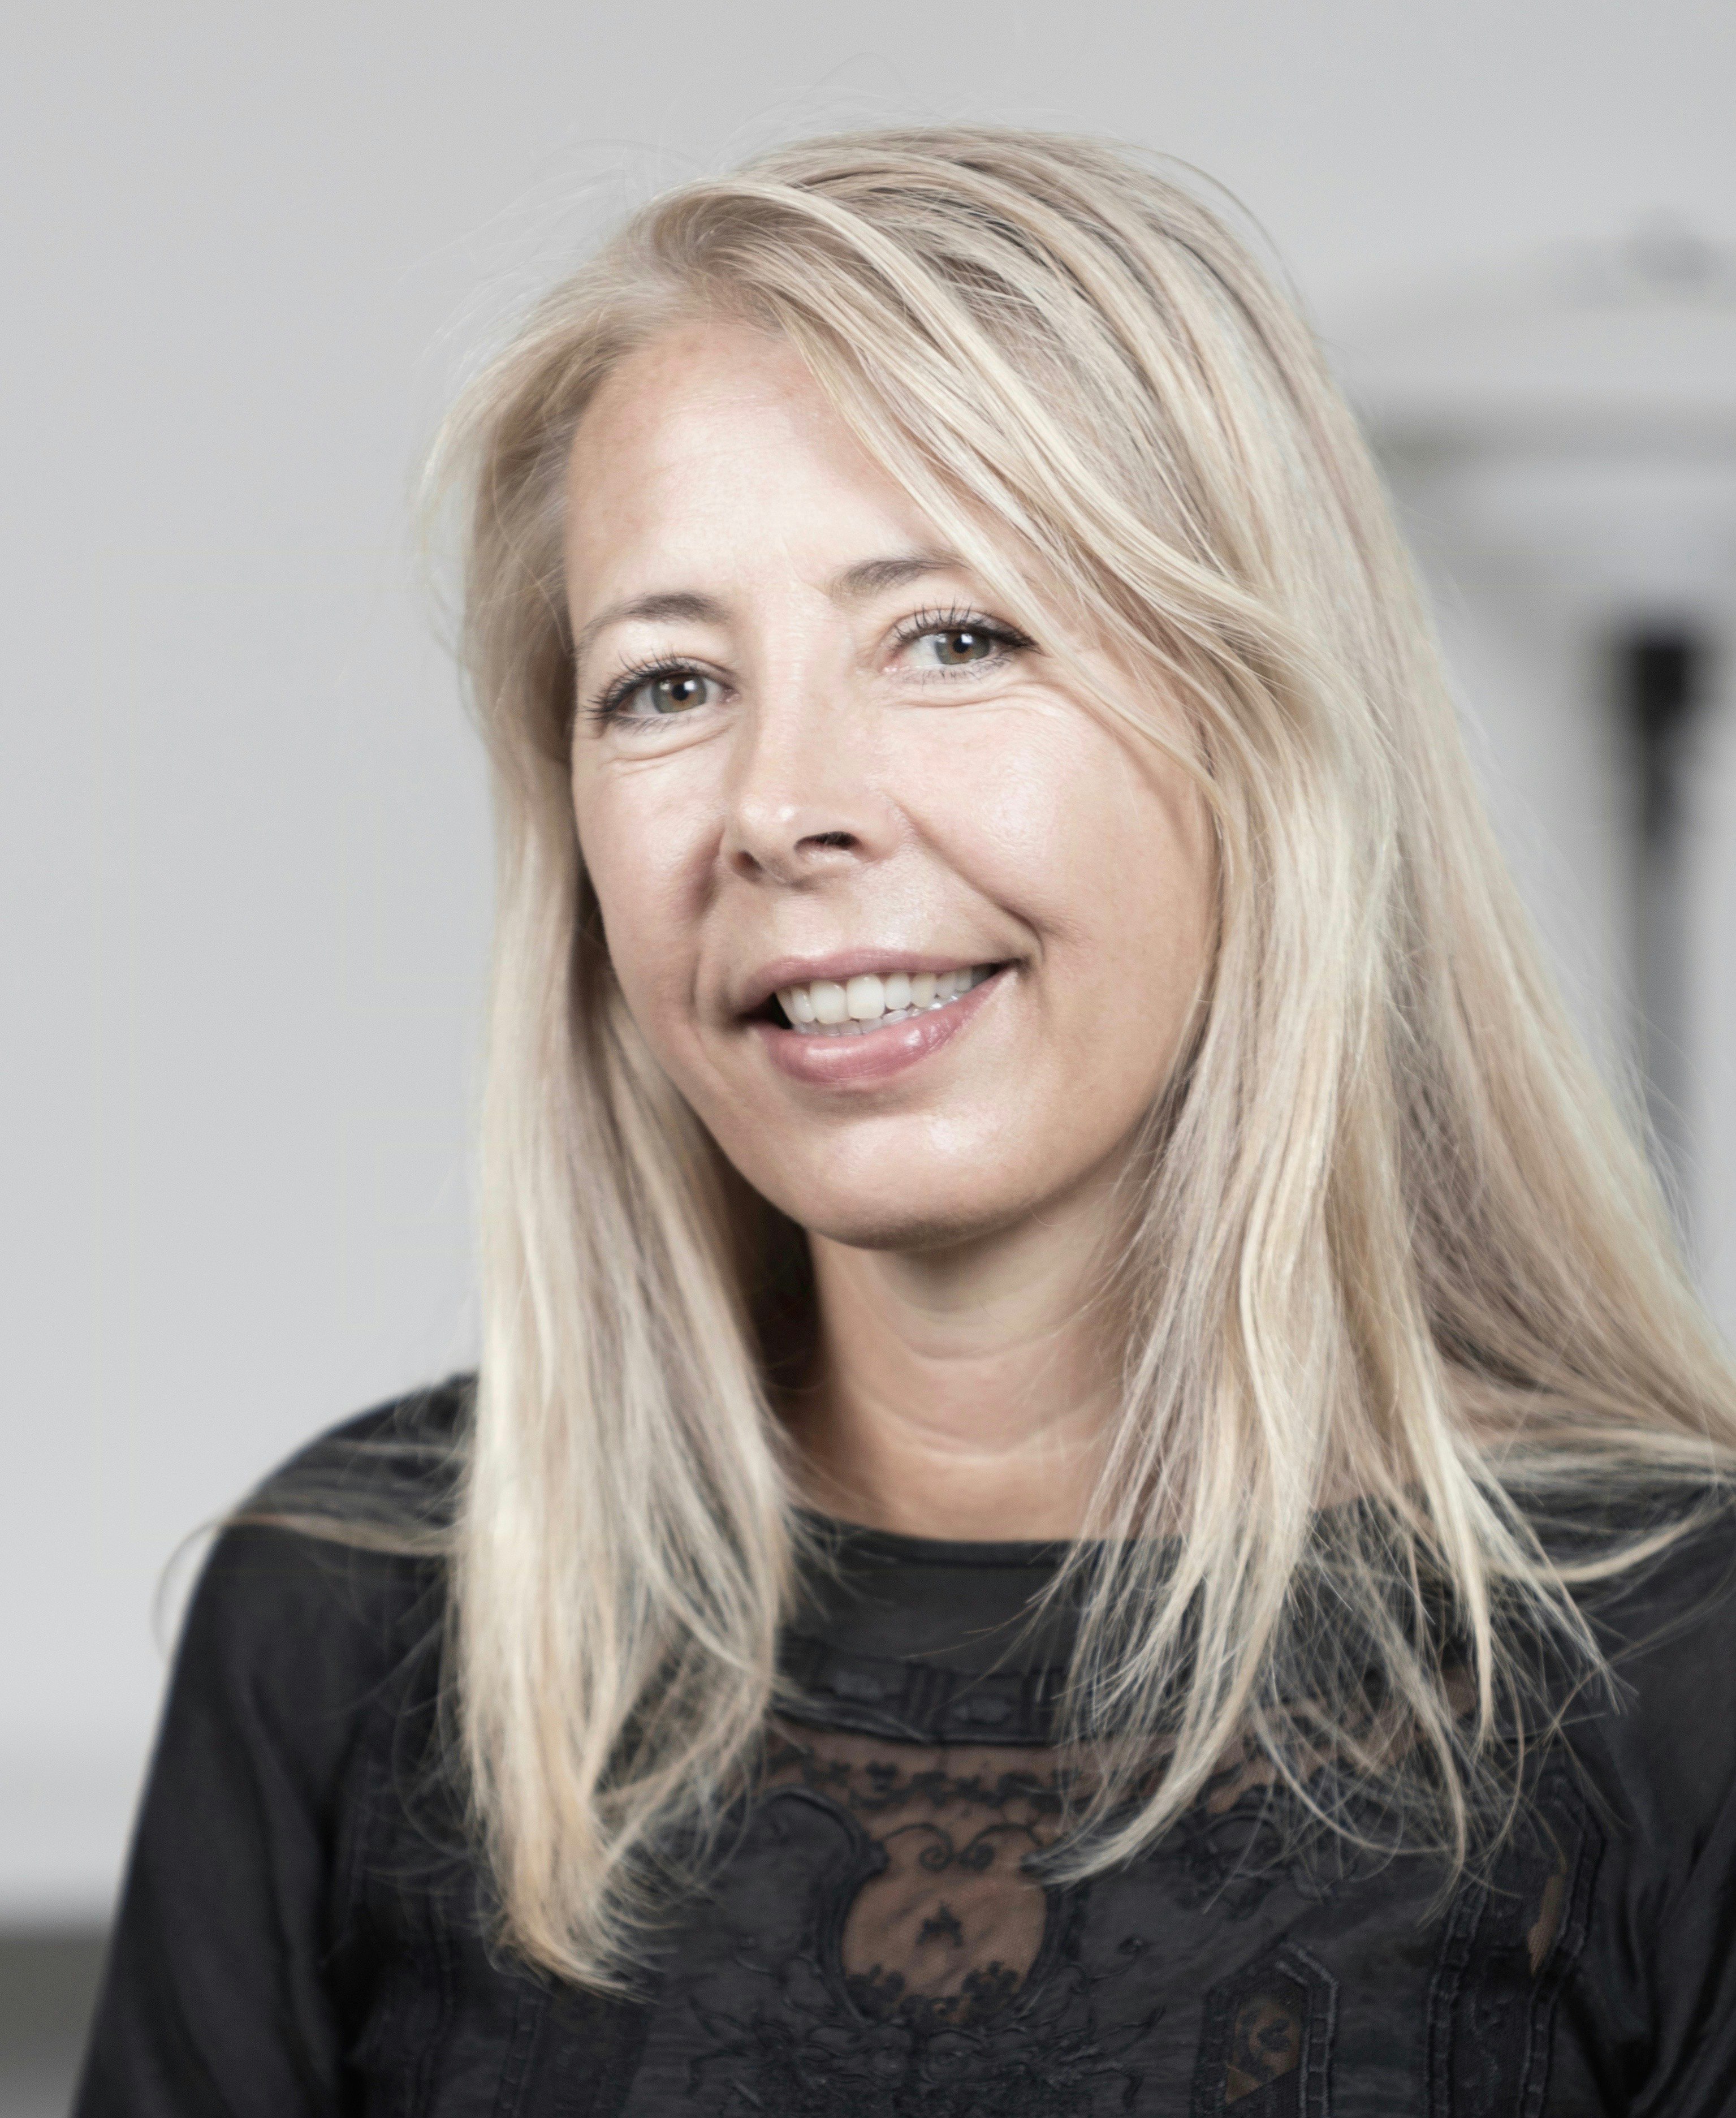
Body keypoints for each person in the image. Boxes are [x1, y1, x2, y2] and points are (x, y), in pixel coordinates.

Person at [77, 127, 1736, 2116]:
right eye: (666, 684)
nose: (782, 807)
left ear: (1267, 740)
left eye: (954, 637)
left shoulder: (1687, 1672)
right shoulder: (354, 1619)